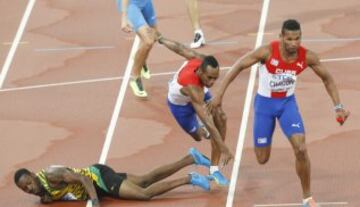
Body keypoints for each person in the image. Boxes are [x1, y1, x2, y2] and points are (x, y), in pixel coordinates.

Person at [209, 19, 350, 207]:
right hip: (264, 106)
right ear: (281, 37)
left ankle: (307, 198)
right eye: (289, 39)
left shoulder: (307, 56)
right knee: (262, 159)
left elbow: (328, 79)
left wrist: (338, 106)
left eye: (297, 39)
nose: (294, 43)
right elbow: (239, 65)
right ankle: (268, 132)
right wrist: (219, 95)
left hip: (287, 105)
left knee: (300, 148)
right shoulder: (267, 52)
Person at [157, 35, 233, 186]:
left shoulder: (200, 59)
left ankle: (213, 169)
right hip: (179, 107)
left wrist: (161, 39)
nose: (212, 82)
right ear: (201, 72)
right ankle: (197, 155)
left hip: (197, 92)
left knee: (221, 117)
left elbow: (180, 48)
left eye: (215, 78)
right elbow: (208, 122)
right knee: (200, 135)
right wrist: (224, 148)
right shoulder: (194, 87)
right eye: (210, 78)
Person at [14, 148, 212, 206]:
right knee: (145, 179)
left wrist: (94, 202)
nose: (29, 188)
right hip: (99, 180)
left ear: (33, 174)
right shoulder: (43, 192)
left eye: (28, 183)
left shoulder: (51, 174)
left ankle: (189, 178)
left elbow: (83, 180)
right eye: (25, 189)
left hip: (98, 179)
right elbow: (50, 196)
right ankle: (189, 158)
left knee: (144, 194)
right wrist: (44, 199)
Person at [117, 0, 157, 97]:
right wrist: (124, 17)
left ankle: (140, 59)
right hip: (131, 5)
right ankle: (135, 78)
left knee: (154, 36)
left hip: (146, 2)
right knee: (148, 41)